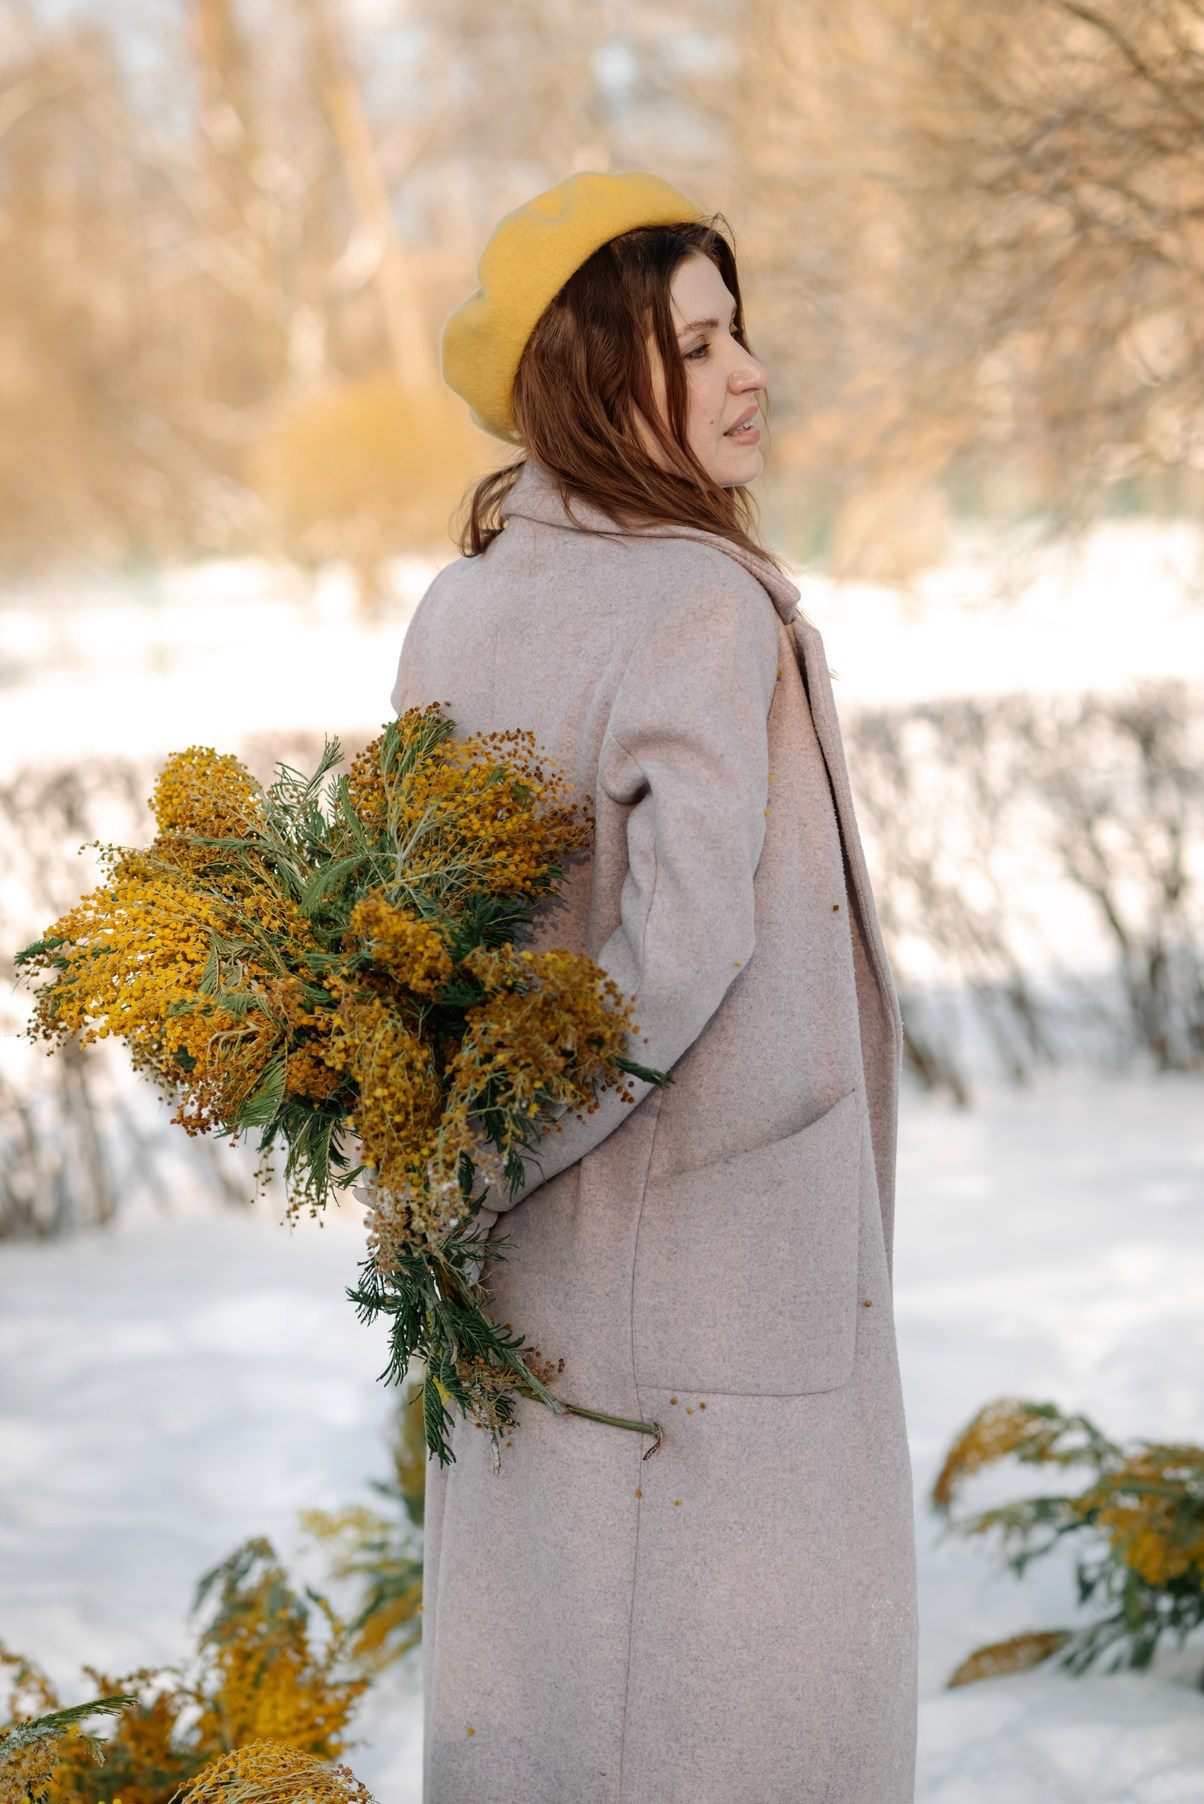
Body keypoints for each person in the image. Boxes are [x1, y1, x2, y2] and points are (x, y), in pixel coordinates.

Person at [391, 169, 918, 1804]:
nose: (747, 372)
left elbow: (409, 938)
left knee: (553, 1718)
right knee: (733, 1729)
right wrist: (508, 1138)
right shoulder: (700, 598)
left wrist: (460, 1167)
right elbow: (679, 953)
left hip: (530, 1277)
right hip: (716, 1270)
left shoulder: (462, 604)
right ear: (588, 370)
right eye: (695, 346)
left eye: (738, 333)